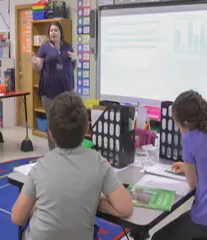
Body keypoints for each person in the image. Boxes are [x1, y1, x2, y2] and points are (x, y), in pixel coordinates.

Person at [11, 92, 133, 240]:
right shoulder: (99, 163)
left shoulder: (41, 166)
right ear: (88, 128)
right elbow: (125, 208)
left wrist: (36, 206)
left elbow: (17, 218)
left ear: (50, 133)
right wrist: (98, 201)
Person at [151, 90, 207, 240]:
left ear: (186, 123)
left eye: (178, 125)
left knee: (158, 237)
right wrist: (187, 167)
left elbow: (192, 182)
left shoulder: (190, 138)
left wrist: (188, 170)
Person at [31, 22, 78, 150]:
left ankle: (65, 147)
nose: (53, 32)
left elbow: (74, 66)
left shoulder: (67, 46)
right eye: (51, 30)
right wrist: (35, 63)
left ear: (61, 32)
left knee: (66, 119)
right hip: (49, 90)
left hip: (66, 89)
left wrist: (75, 59)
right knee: (52, 120)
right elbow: (39, 68)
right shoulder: (44, 48)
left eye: (55, 30)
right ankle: (53, 150)